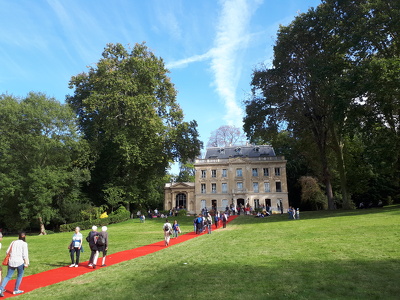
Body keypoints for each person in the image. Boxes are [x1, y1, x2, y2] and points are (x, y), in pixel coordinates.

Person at [0, 232, 29, 296]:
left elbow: (7, 251)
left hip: (11, 261)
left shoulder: (13, 242)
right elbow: (25, 255)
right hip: (20, 262)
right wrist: (26, 263)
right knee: (19, 275)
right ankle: (16, 289)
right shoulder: (24, 244)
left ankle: (1, 288)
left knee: (8, 276)